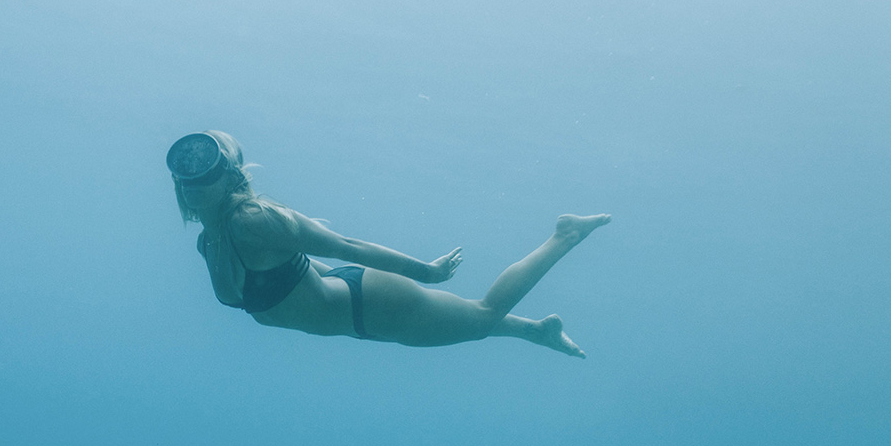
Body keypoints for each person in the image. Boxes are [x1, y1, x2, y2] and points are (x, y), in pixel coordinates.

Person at [167, 130, 608, 356]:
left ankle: (565, 234)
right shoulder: (212, 241)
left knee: (479, 318)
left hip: (369, 305)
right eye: (186, 170)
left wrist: (426, 272)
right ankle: (536, 330)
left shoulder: (252, 219)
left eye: (206, 165)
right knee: (462, 324)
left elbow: (347, 246)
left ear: (229, 173)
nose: (192, 180)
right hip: (356, 316)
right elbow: (298, 271)